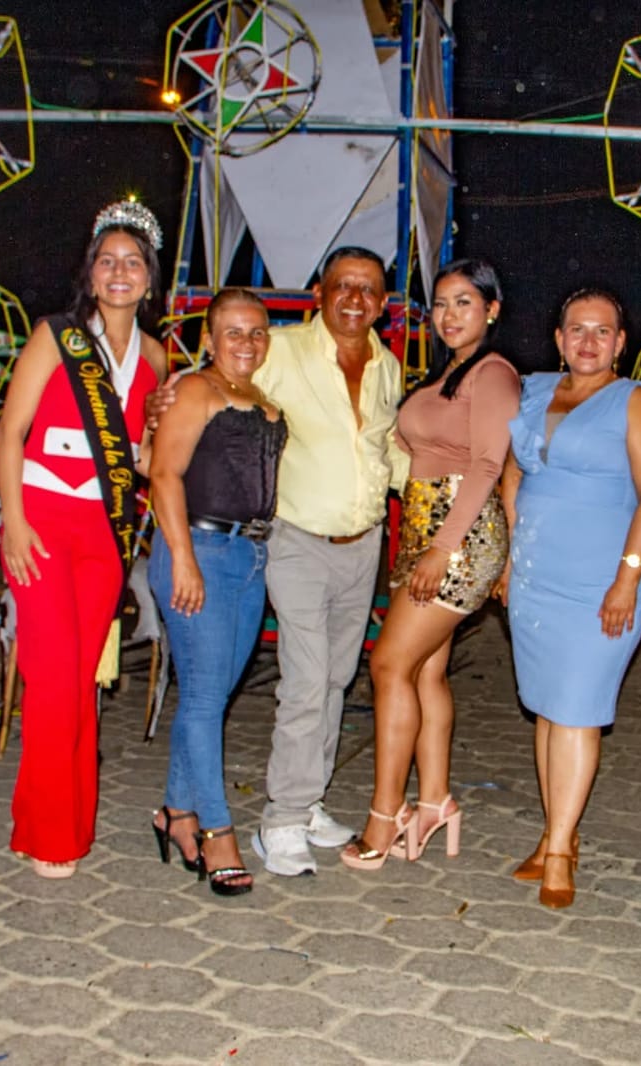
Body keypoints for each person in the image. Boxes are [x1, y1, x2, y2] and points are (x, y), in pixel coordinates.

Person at [0, 200, 168, 878]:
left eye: (133, 263)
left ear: (149, 279)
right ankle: (48, 835)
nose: (119, 273)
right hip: (41, 521)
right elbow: (10, 433)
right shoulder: (56, 335)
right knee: (54, 680)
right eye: (107, 262)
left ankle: (57, 823)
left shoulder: (155, 357)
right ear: (90, 274)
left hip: (104, 532)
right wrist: (14, 521)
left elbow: (143, 461)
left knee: (78, 684)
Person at [341, 258, 520, 871]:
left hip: (458, 537)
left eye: (464, 302)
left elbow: (488, 464)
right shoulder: (445, 375)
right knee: (423, 672)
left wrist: (444, 548)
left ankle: (385, 815)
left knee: (388, 664)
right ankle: (435, 800)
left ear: (491, 310)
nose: (449, 315)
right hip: (423, 530)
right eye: (440, 304)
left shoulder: (493, 373)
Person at [497, 287, 641, 909]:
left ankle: (561, 851)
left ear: (620, 342)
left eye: (602, 331)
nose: (588, 341)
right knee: (548, 708)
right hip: (536, 576)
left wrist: (627, 578)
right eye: (577, 329)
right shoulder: (535, 390)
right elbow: (514, 472)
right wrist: (513, 553)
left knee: (576, 709)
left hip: (601, 581)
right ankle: (554, 836)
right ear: (559, 337)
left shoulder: (635, 401)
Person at [248, 247, 409, 877]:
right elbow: (227, 385)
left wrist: (446, 485)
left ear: (383, 303)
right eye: (343, 285)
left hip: (361, 545)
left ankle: (309, 799)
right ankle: (281, 818)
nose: (355, 298)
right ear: (319, 292)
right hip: (297, 539)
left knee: (337, 679)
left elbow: (385, 450)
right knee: (307, 680)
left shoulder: (387, 367)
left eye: (368, 289)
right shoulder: (282, 350)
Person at [147, 289, 286, 896]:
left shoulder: (262, 398)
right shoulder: (196, 389)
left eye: (256, 332)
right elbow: (163, 474)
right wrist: (182, 559)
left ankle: (175, 811)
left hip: (249, 556)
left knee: (213, 696)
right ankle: (217, 833)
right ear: (208, 338)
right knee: (205, 698)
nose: (246, 342)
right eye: (233, 331)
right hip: (199, 550)